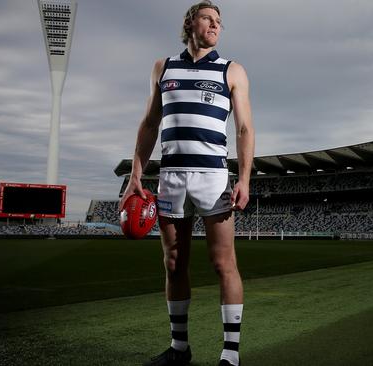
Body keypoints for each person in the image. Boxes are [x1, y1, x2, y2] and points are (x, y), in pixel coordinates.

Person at [119, 1, 254, 365]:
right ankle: (180, 349)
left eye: (219, 21)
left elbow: (243, 128)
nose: (215, 25)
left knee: (223, 263)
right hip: (171, 178)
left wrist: (243, 177)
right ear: (189, 22)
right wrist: (135, 173)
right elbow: (150, 125)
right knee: (174, 263)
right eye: (208, 18)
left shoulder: (233, 70)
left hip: (213, 179)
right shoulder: (163, 67)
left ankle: (230, 355)